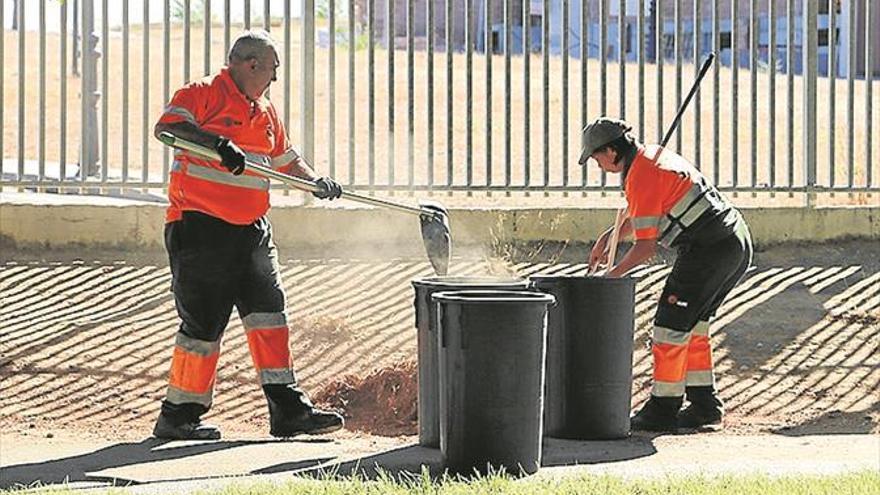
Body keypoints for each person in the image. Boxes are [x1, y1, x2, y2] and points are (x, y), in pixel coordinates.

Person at [151, 30, 345, 440]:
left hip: (252, 233)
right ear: (250, 64)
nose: (274, 79)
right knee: (203, 325)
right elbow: (168, 129)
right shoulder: (202, 93)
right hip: (200, 226)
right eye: (272, 69)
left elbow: (287, 161)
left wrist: (317, 183)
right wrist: (217, 144)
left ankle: (287, 409)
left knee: (270, 315)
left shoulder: (266, 110)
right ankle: (179, 415)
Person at [581, 117, 753, 432]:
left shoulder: (642, 174)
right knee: (694, 326)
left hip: (707, 250)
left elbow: (646, 248)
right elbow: (647, 213)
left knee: (669, 327)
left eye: (596, 157)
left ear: (611, 150)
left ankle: (663, 408)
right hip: (734, 242)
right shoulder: (650, 157)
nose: (597, 164)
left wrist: (612, 278)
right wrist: (611, 237)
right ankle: (704, 405)